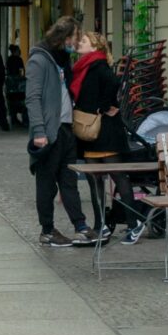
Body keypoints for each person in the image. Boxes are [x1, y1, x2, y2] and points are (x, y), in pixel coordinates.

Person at [25, 16, 90, 247]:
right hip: (49, 132)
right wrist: (40, 131)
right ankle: (48, 230)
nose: (77, 41)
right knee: (46, 183)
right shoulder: (40, 60)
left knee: (69, 180)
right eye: (75, 37)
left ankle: (81, 226)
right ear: (64, 37)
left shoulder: (63, 61)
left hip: (66, 128)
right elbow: (32, 98)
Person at [66, 30, 126, 242]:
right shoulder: (83, 66)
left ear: (94, 47)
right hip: (88, 129)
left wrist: (103, 107)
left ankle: (133, 222)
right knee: (93, 179)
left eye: (84, 41)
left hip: (104, 129)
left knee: (117, 175)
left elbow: (113, 83)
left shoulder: (98, 64)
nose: (79, 43)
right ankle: (100, 222)